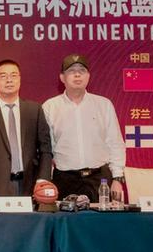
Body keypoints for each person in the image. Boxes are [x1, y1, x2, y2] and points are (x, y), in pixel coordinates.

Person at [42, 54, 126, 201]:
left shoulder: (104, 105)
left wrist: (117, 178)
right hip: (64, 179)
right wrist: (45, 181)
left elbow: (115, 143)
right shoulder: (50, 107)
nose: (77, 75)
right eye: (71, 71)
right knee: (64, 216)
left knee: (101, 216)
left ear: (88, 76)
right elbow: (46, 149)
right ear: (62, 77)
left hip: (100, 180)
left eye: (82, 70)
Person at [0, 59, 53, 205]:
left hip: (31, 185)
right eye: (3, 76)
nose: (9, 80)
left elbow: (46, 149)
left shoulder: (34, 110)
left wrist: (42, 181)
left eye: (13, 75)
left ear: (20, 79)